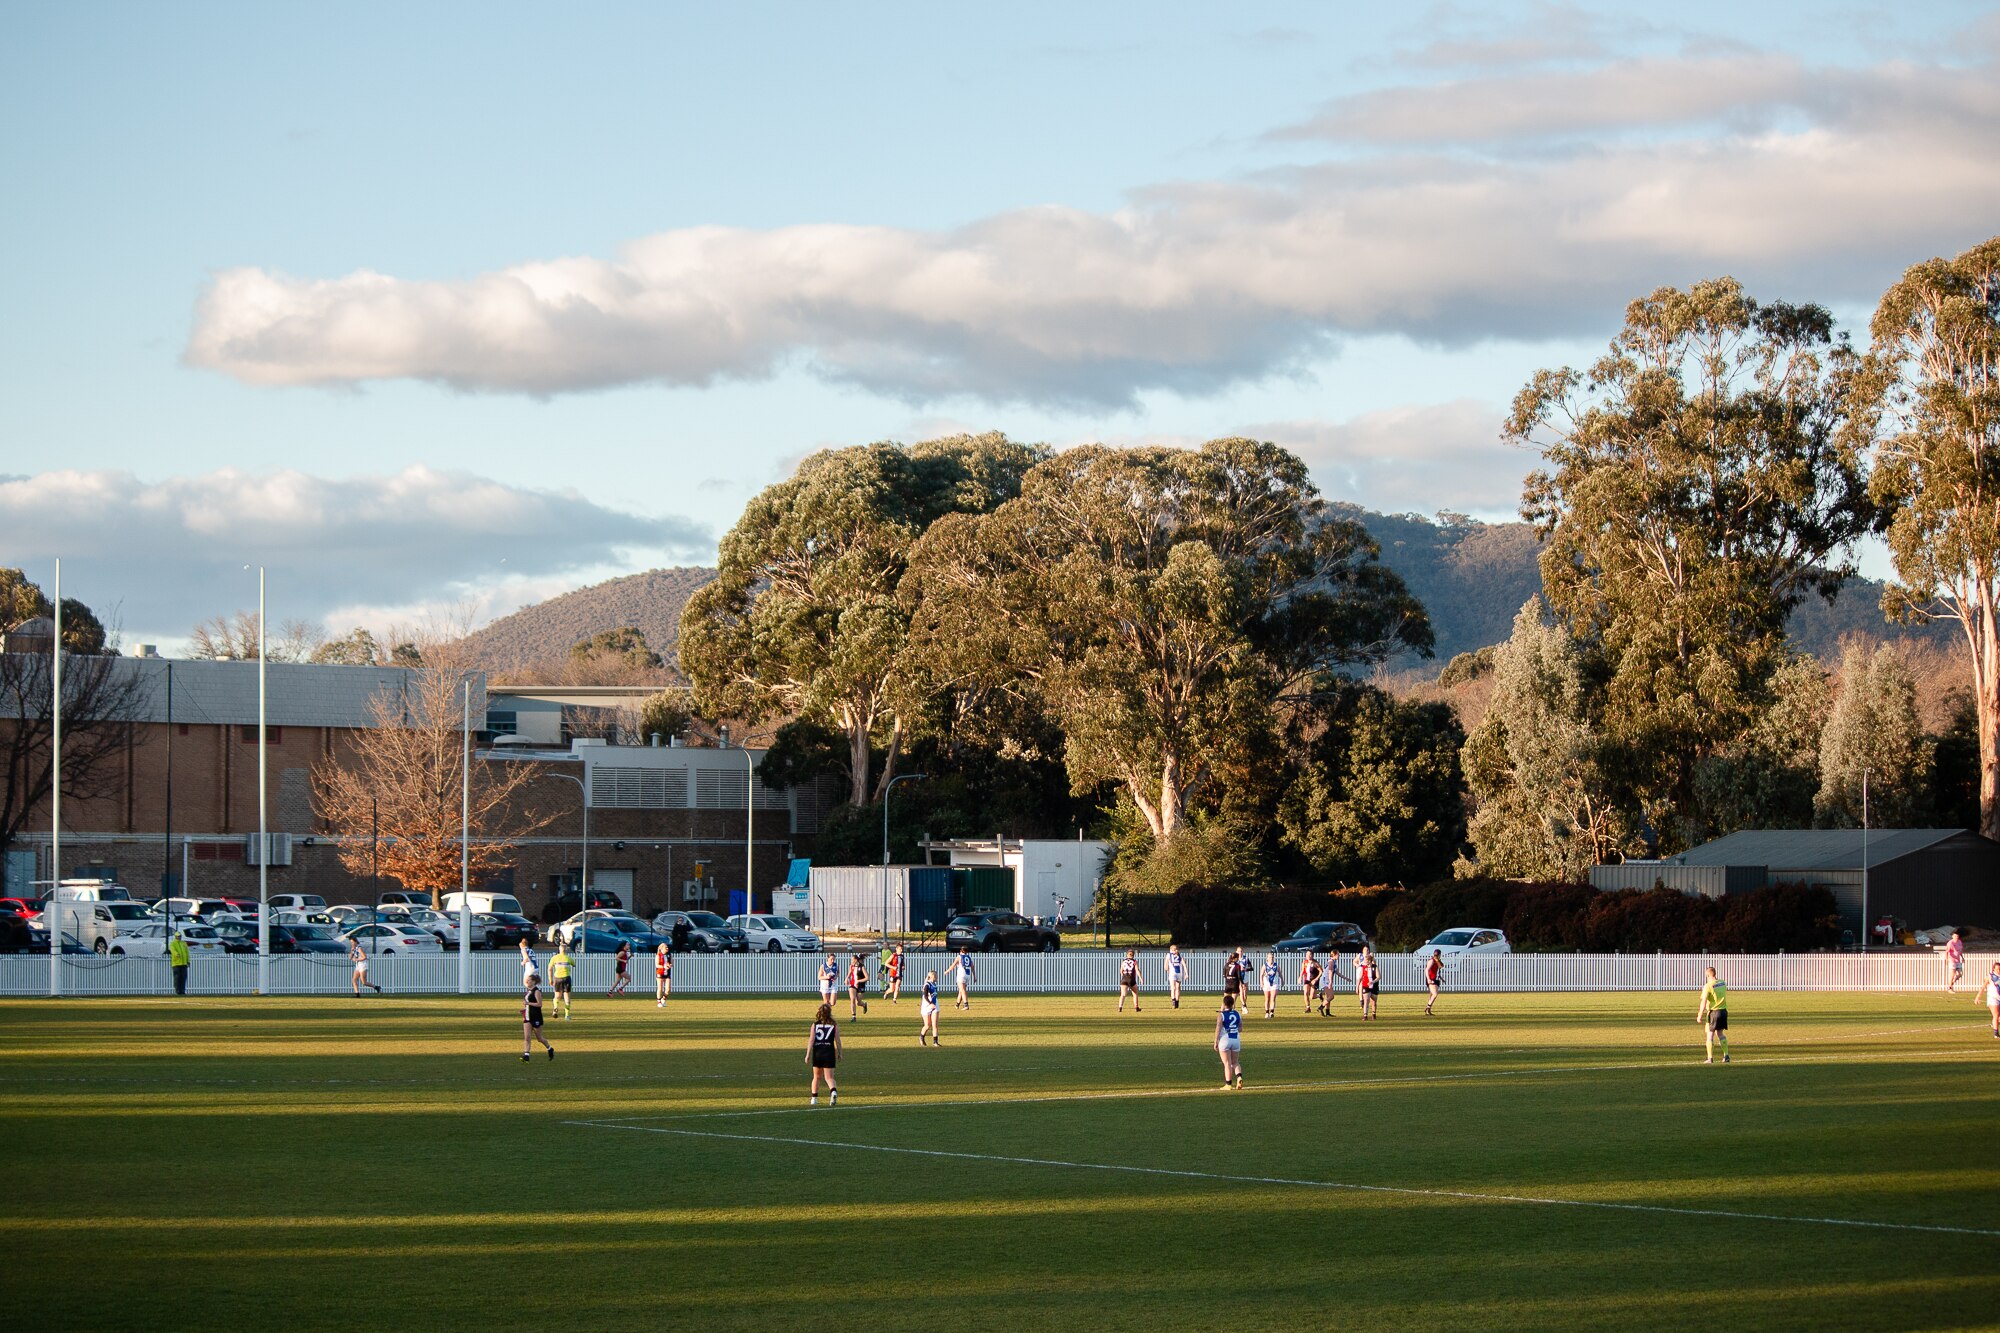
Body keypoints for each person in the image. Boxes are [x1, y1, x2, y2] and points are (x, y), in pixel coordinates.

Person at [806, 1001, 841, 1104]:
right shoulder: (834, 1025)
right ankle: (833, 1091)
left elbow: (811, 1040)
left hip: (818, 1052)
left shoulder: (815, 1025)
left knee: (816, 1077)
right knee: (829, 1077)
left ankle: (814, 1099)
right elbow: (838, 1041)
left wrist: (808, 1054)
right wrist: (840, 1053)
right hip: (829, 1052)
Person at [1697, 965, 1730, 1064]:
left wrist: (1700, 1014)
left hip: (1713, 1013)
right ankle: (1726, 1055)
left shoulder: (1708, 986)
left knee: (1710, 1035)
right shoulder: (1722, 983)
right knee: (1720, 1034)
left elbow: (1703, 1001)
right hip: (1723, 1011)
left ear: (1708, 975)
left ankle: (1710, 1058)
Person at [521, 971, 555, 1062]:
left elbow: (539, 1004)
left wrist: (528, 1003)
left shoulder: (536, 991)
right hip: (527, 1017)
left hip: (536, 1017)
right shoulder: (528, 991)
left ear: (534, 982)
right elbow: (528, 1005)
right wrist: (524, 1010)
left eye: (529, 980)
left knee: (539, 1038)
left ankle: (549, 1048)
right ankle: (526, 1055)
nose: (527, 982)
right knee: (527, 1037)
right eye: (527, 980)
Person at [1214, 992, 1244, 1090]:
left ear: (1224, 1004)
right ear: (1233, 1004)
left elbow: (1218, 1028)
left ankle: (1228, 1084)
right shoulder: (1237, 1013)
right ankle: (1239, 1076)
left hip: (1225, 1039)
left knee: (1227, 1063)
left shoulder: (1221, 1015)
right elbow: (1240, 1027)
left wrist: (1216, 1041)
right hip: (1236, 1038)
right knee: (1235, 1062)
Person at [549, 942, 575, 1020]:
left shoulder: (554, 958)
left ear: (559, 950)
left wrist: (550, 979)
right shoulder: (568, 958)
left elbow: (549, 969)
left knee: (557, 995)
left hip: (557, 978)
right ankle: (567, 1015)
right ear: (566, 950)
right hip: (566, 978)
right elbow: (574, 965)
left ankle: (555, 1007)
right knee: (566, 996)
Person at [1322, 949, 1348, 1017]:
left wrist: (1346, 978)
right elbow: (1330, 971)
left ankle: (1327, 1012)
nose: (1339, 955)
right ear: (1334, 954)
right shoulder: (1331, 962)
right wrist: (1330, 982)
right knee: (1331, 996)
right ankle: (1321, 1007)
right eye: (1338, 954)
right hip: (1326, 981)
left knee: (1328, 997)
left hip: (1327, 980)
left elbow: (1337, 972)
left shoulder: (1334, 961)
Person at [918, 969, 941, 1046]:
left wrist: (933, 1004)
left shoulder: (934, 984)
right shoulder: (927, 985)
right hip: (926, 1006)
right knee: (927, 1025)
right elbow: (925, 996)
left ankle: (935, 1042)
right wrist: (930, 1003)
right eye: (936, 976)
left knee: (935, 1024)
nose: (937, 977)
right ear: (932, 976)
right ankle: (921, 1037)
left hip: (934, 1004)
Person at [847, 952, 871, 1018]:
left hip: (861, 985)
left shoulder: (862, 967)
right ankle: (853, 1016)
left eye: (852, 960)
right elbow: (849, 973)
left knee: (858, 1003)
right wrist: (846, 978)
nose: (851, 961)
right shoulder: (851, 966)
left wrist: (858, 981)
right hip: (852, 985)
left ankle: (864, 1004)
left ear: (856, 960)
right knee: (852, 999)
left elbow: (867, 978)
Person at [1357, 948, 1378, 1020]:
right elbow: (1359, 978)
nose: (1365, 962)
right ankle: (1365, 1016)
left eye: (1366, 960)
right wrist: (1357, 987)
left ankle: (1374, 1014)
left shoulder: (1375, 967)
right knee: (1366, 1000)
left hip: (1374, 986)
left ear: (1370, 961)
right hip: (1365, 986)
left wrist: (1373, 982)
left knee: (1374, 1002)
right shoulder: (1363, 967)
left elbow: (1379, 977)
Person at [168, 930, 190, 996]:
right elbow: (173, 951)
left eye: (179, 936)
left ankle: (182, 991)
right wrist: (177, 954)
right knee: (177, 978)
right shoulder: (172, 944)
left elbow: (187, 953)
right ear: (175, 937)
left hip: (183, 963)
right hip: (176, 964)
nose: (179, 937)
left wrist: (188, 961)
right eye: (177, 936)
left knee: (183, 978)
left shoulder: (184, 943)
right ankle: (178, 990)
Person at [1298, 951, 1321, 1015]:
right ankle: (1308, 1008)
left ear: (1312, 955)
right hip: (1307, 980)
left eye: (1309, 954)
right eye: (1307, 954)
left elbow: (1321, 971)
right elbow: (1302, 970)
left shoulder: (1315, 963)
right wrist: (1300, 977)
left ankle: (1319, 996)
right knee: (1305, 993)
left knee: (1312, 997)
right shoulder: (1304, 962)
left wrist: (1316, 979)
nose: (1308, 956)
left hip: (1314, 980)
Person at [1260, 951, 1282, 1018]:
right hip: (1266, 983)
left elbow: (1280, 973)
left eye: (1272, 957)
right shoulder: (1265, 965)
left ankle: (1272, 1012)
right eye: (1270, 957)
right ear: (1267, 958)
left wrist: (1282, 980)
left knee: (1273, 998)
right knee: (1267, 998)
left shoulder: (1276, 965)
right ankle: (1267, 1012)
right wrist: (1261, 982)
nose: (1271, 958)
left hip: (1274, 983)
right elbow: (1261, 975)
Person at [1165, 944, 1188, 1009]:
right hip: (1178, 973)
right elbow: (1184, 966)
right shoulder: (1180, 956)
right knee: (1177, 988)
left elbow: (1166, 966)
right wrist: (1186, 974)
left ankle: (1174, 1002)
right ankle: (1176, 1003)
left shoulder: (1169, 955)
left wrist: (1167, 970)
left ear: (1172, 950)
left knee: (1173, 988)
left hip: (1173, 973)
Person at [1424, 949, 1444, 1016]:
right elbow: (1426, 970)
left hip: (1434, 979)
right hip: (1431, 979)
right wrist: (1428, 979)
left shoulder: (1436, 961)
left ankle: (1428, 1010)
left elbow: (1441, 966)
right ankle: (1428, 1008)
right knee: (1435, 994)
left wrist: (1441, 978)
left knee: (1431, 995)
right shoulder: (1431, 961)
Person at [654, 941, 672, 1007]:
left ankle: (663, 999)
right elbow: (657, 965)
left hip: (667, 973)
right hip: (660, 973)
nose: (667, 948)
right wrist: (663, 966)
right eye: (665, 947)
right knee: (660, 988)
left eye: (667, 947)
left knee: (668, 989)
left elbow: (671, 963)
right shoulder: (658, 955)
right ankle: (659, 1002)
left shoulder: (669, 955)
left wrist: (670, 965)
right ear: (661, 948)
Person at [1984, 963, 1999, 1039]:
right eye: (1997, 969)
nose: (1999, 970)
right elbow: (1983, 986)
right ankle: (1996, 1033)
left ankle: (1995, 1025)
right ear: (1994, 969)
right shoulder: (1990, 976)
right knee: (1996, 1015)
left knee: (1998, 1016)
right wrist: (1977, 997)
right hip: (1993, 998)